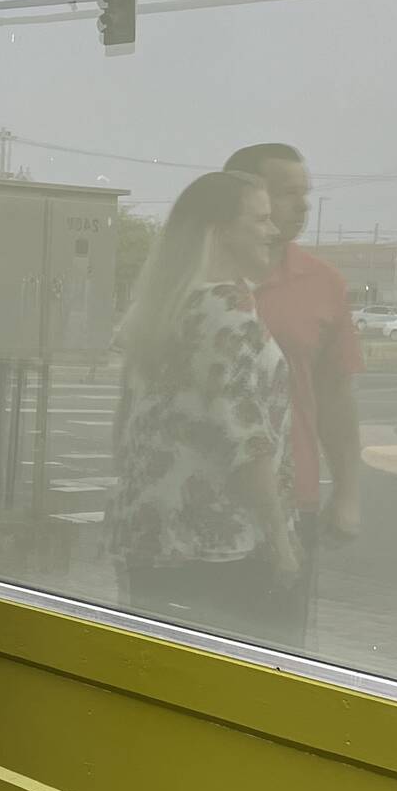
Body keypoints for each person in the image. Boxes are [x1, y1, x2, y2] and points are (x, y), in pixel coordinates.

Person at [110, 170, 298, 639]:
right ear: (221, 230)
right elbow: (245, 438)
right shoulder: (227, 308)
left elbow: (125, 429)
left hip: (150, 536)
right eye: (261, 219)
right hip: (218, 548)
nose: (274, 231)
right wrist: (281, 543)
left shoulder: (166, 307)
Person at [223, 143, 363, 648]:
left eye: (305, 193)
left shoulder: (324, 284)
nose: (302, 206)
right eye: (286, 193)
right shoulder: (197, 277)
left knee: (275, 656)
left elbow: (336, 400)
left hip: (289, 500)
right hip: (199, 502)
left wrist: (346, 492)